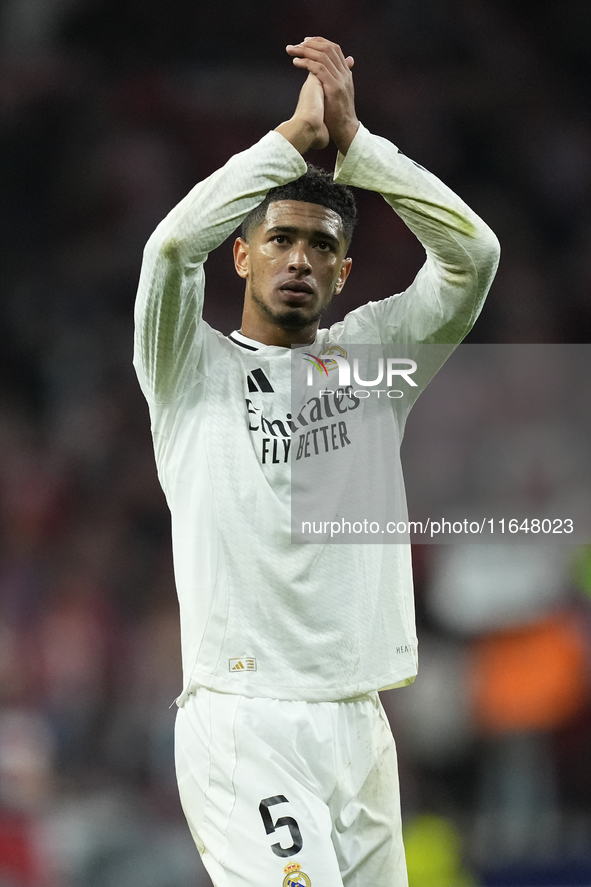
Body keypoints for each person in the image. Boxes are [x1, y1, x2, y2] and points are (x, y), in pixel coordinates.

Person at [134, 36, 500, 887]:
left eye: (320, 246)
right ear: (243, 253)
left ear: (341, 271)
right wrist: (287, 147)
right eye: (281, 238)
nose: (299, 257)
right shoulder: (187, 369)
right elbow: (166, 252)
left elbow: (472, 256)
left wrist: (361, 150)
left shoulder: (372, 362)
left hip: (359, 719)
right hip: (244, 717)